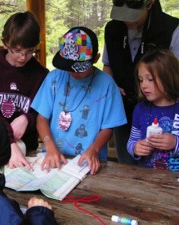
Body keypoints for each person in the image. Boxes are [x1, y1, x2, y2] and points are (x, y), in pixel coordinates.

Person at [31, 27, 127, 175]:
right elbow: (41, 118)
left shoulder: (107, 84)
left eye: (80, 68)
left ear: (96, 58)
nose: (74, 72)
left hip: (89, 162)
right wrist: (50, 147)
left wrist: (94, 149)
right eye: (69, 67)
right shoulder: (54, 78)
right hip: (53, 158)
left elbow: (108, 127)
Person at [103, 0, 179, 164]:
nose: (127, 20)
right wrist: (112, 88)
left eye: (133, 15)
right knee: (127, 163)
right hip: (124, 108)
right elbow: (108, 66)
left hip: (167, 108)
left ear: (149, 3)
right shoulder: (112, 29)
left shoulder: (171, 29)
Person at [0, 11, 49, 171]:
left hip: (28, 147)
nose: (23, 57)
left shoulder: (41, 74)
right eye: (16, 50)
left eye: (30, 51)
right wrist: (10, 142)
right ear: (4, 43)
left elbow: (41, 112)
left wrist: (26, 119)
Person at [127, 49, 179, 171]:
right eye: (141, 80)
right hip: (147, 179)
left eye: (150, 79)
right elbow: (132, 141)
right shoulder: (141, 109)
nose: (143, 85)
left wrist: (175, 143)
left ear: (168, 77)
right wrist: (135, 148)